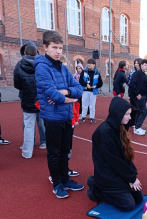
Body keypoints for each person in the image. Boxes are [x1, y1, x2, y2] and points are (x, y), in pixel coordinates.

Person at [34, 30, 84, 198]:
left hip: (66, 116)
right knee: (54, 153)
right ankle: (57, 183)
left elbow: (79, 89)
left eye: (60, 48)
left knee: (65, 150)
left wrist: (66, 93)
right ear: (45, 47)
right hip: (53, 118)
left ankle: (65, 179)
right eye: (54, 47)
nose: (58, 51)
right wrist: (70, 99)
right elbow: (53, 95)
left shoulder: (63, 68)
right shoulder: (42, 68)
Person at [87, 96, 143, 211]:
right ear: (118, 114)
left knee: (139, 197)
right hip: (107, 174)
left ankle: (93, 180)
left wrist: (133, 175)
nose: (130, 117)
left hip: (117, 171)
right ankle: (96, 188)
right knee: (128, 205)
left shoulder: (120, 127)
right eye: (127, 114)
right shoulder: (104, 133)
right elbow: (114, 161)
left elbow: (124, 157)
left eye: (130, 114)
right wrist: (131, 178)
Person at [13, 40, 46, 150]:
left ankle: (29, 144)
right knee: (41, 122)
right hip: (40, 98)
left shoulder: (19, 64)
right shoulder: (42, 63)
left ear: (25, 53)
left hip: (26, 98)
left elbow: (17, 84)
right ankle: (44, 141)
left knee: (27, 124)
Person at [129, 59, 147, 135]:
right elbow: (132, 84)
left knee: (139, 111)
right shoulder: (137, 73)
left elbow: (145, 86)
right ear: (141, 65)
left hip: (143, 96)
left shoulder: (144, 74)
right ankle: (137, 127)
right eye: (145, 65)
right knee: (144, 112)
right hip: (138, 96)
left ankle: (136, 127)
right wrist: (137, 94)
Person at [79, 58, 103, 124]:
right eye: (88, 63)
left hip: (93, 92)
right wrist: (86, 84)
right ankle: (83, 117)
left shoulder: (97, 73)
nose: (88, 65)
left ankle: (92, 118)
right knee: (84, 105)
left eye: (90, 64)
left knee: (92, 106)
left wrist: (96, 86)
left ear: (94, 65)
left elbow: (100, 83)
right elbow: (80, 81)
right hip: (85, 91)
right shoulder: (84, 72)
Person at [126, 58, 142, 130]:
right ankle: (132, 122)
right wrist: (134, 86)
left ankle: (135, 121)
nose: (136, 64)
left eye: (137, 63)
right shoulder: (132, 71)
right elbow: (128, 81)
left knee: (139, 107)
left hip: (140, 93)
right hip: (133, 92)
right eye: (135, 63)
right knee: (134, 107)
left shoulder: (142, 72)